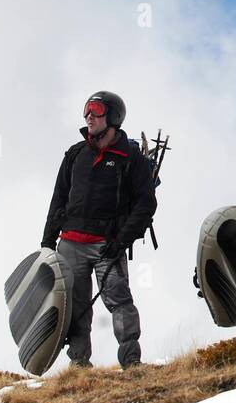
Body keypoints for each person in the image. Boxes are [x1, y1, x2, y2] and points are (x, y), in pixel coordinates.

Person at [42, 91, 156, 370]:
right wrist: (47, 242)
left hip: (107, 245)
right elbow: (58, 198)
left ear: (113, 116)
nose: (88, 116)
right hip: (69, 244)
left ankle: (131, 362)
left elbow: (146, 203)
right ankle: (79, 365)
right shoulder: (75, 155)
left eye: (95, 110)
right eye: (86, 110)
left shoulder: (131, 157)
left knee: (120, 302)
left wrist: (121, 240)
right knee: (76, 309)